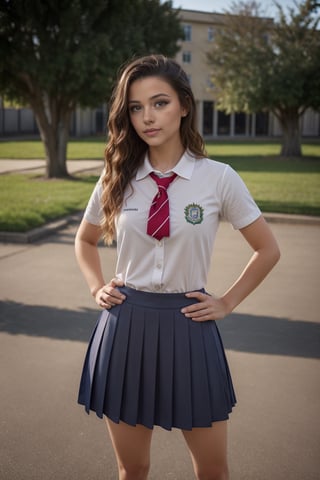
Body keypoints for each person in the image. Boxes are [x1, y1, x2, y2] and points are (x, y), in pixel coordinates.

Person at [75, 54, 280, 480]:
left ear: (185, 106)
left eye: (160, 103)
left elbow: (267, 249)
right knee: (132, 469)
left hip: (190, 327)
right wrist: (97, 288)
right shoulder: (117, 176)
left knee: (213, 470)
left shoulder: (218, 178)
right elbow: (85, 240)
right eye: (135, 107)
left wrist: (226, 302)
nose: (147, 117)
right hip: (125, 326)